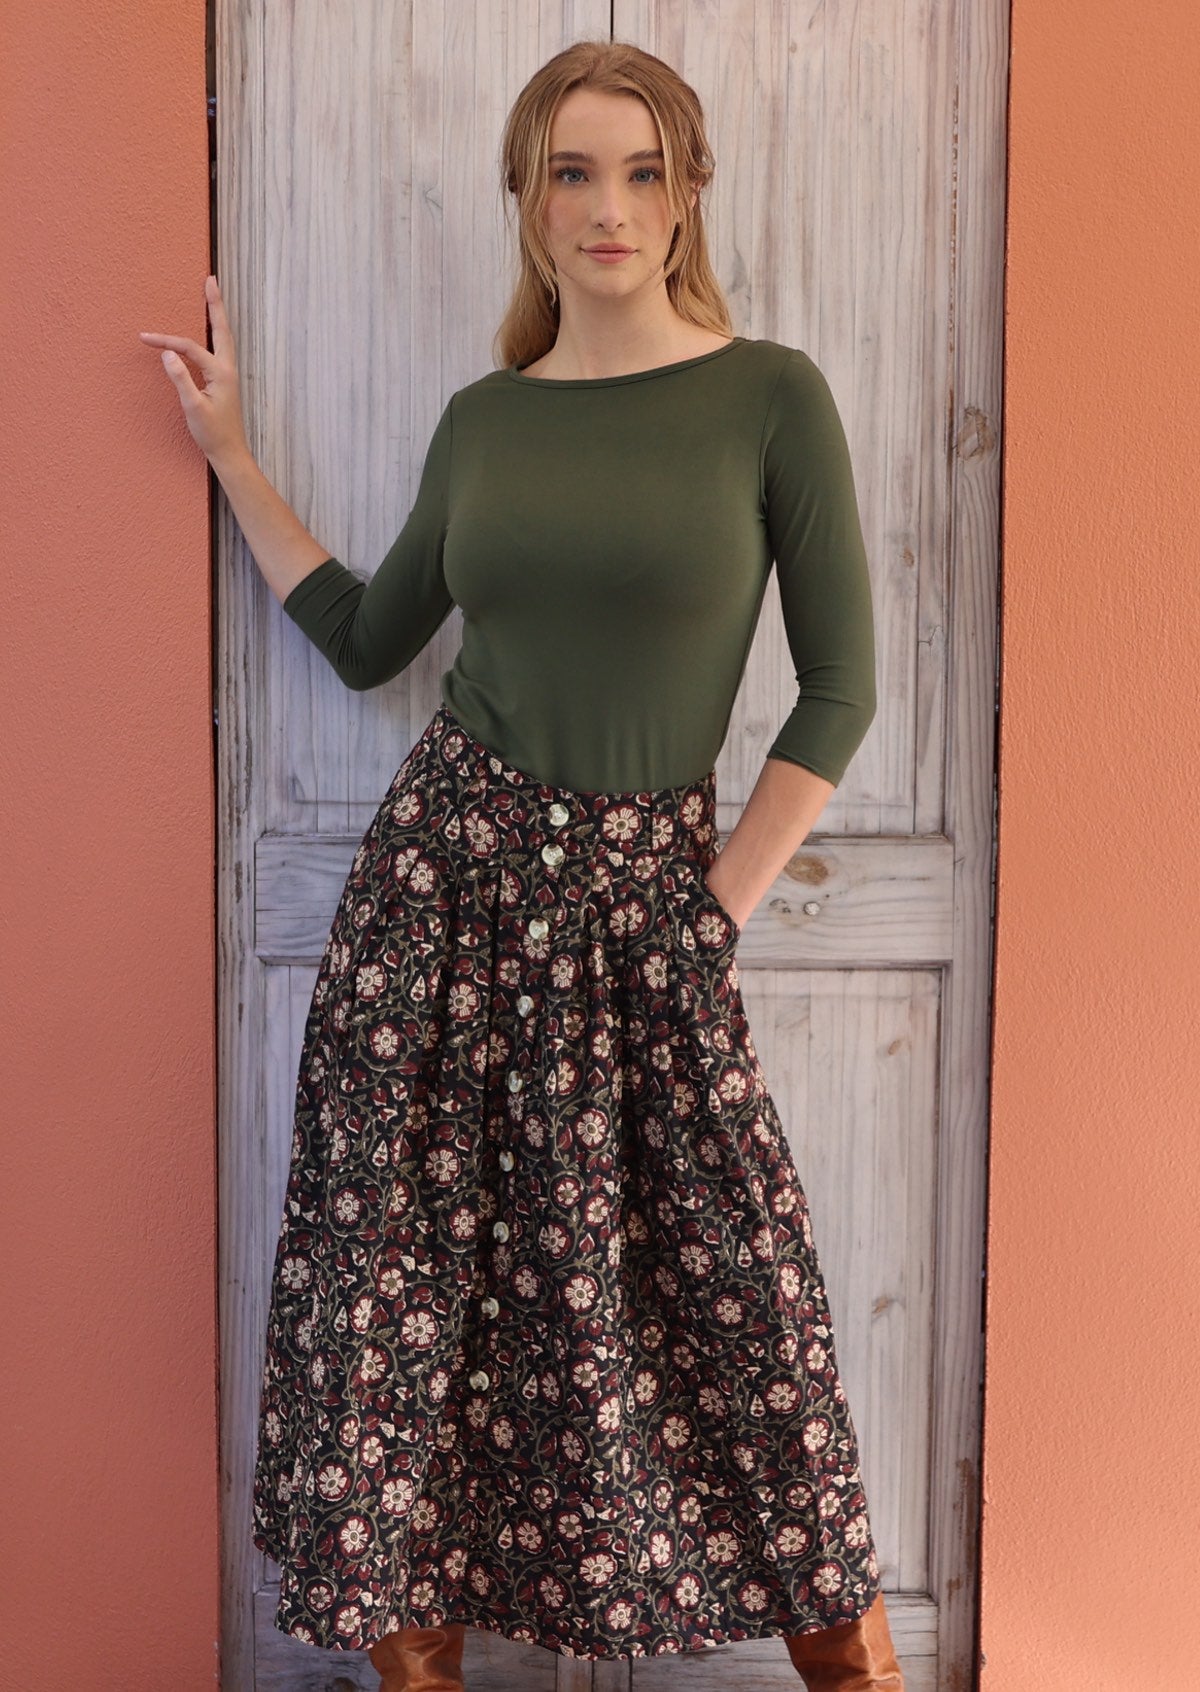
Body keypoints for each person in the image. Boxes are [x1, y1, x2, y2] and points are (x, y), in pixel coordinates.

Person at [140, 36, 904, 1692]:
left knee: (736, 1312)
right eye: (573, 170)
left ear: (691, 190)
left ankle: (850, 1661)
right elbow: (366, 638)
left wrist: (713, 910)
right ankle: (415, 1667)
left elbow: (843, 686)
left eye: (641, 169)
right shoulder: (484, 421)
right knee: (402, 1310)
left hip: (648, 923)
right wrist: (231, 455)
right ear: (529, 199)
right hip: (440, 908)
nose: (608, 205)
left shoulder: (771, 397)